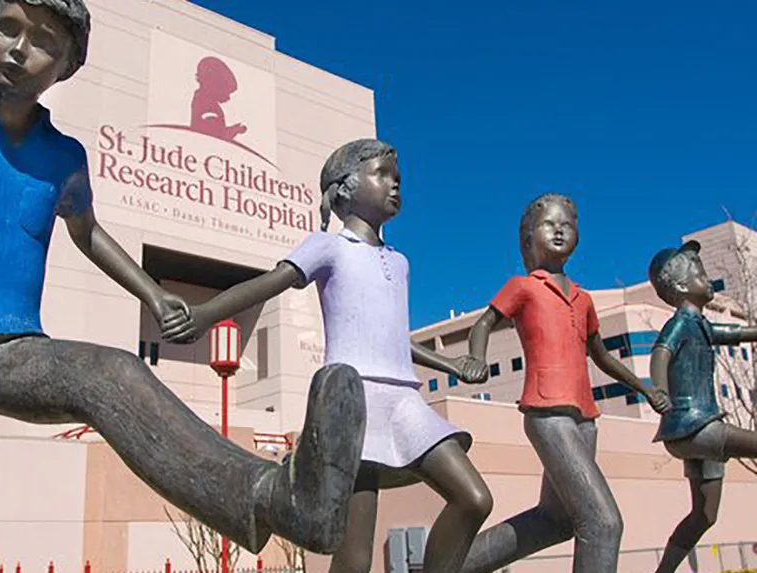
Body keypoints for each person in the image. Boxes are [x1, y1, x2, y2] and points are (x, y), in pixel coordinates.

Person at [0, 2, 367, 570]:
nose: (21, 50)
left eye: (44, 42)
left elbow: (89, 233)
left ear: (68, 66)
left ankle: (279, 499)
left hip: (13, 348)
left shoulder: (64, 157)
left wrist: (152, 296)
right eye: (10, 29)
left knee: (112, 373)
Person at [164, 139, 493, 573]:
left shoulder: (401, 262)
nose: (395, 185)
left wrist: (452, 365)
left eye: (398, 179)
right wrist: (206, 314)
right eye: (382, 175)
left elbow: (396, 338)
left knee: (473, 498)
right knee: (355, 555)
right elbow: (268, 284)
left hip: (405, 402)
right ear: (343, 188)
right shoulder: (327, 247)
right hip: (351, 403)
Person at [460, 193, 670, 573]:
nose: (559, 230)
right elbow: (484, 324)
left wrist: (646, 389)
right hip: (547, 412)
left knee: (555, 521)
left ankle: (450, 566)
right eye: (548, 224)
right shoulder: (522, 287)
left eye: (567, 225)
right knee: (603, 522)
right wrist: (477, 358)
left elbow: (602, 356)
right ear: (527, 240)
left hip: (585, 418)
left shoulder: (584, 300)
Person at [647, 241, 757, 573]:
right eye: (699, 272)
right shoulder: (680, 323)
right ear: (681, 287)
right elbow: (660, 353)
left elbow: (737, 332)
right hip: (695, 425)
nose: (707, 278)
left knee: (705, 515)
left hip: (698, 433)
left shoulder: (703, 325)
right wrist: (660, 391)